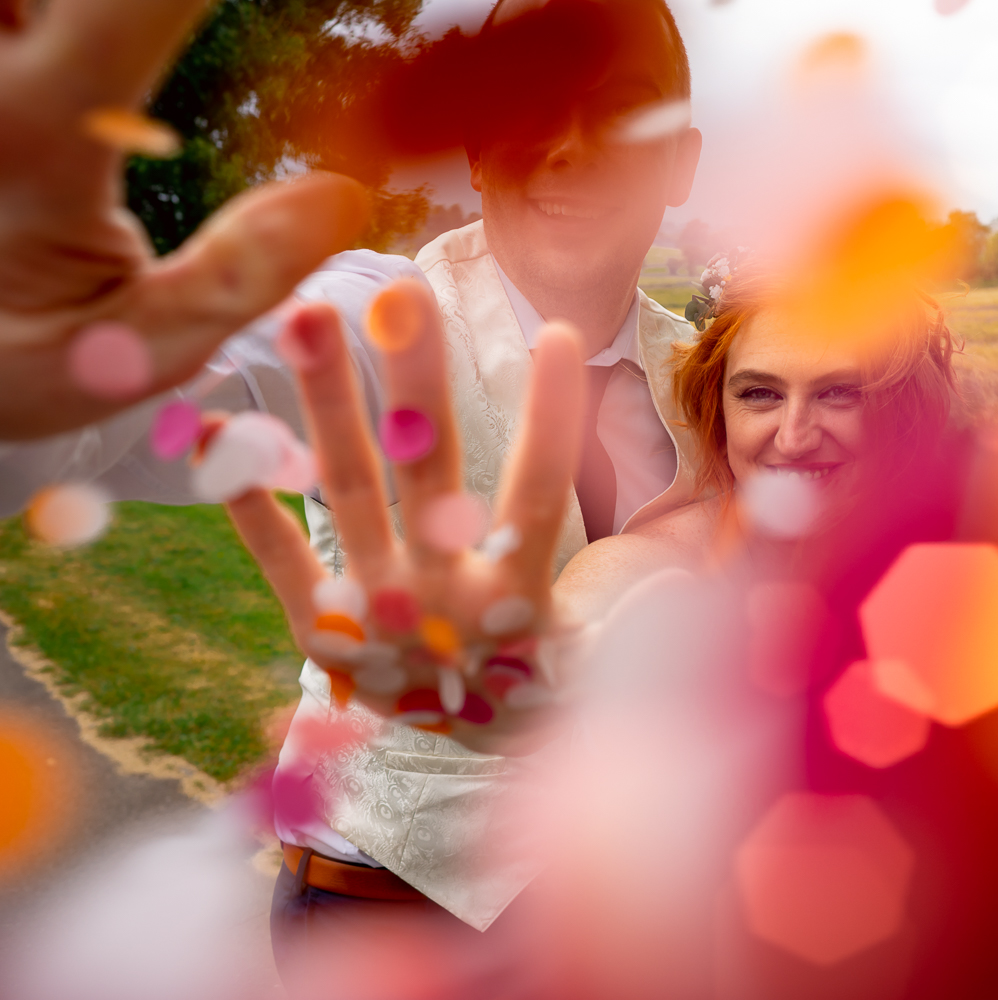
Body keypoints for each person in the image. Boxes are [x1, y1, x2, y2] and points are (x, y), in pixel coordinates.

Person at [228, 251, 998, 997]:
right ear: (716, 412)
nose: (794, 431)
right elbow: (578, 641)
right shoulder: (661, 556)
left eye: (842, 394)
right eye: (760, 393)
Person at [0, 0, 708, 974]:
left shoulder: (717, 383)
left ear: (683, 161)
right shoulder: (374, 321)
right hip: (383, 927)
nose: (570, 145)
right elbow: (108, 424)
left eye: (623, 110)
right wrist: (45, 375)